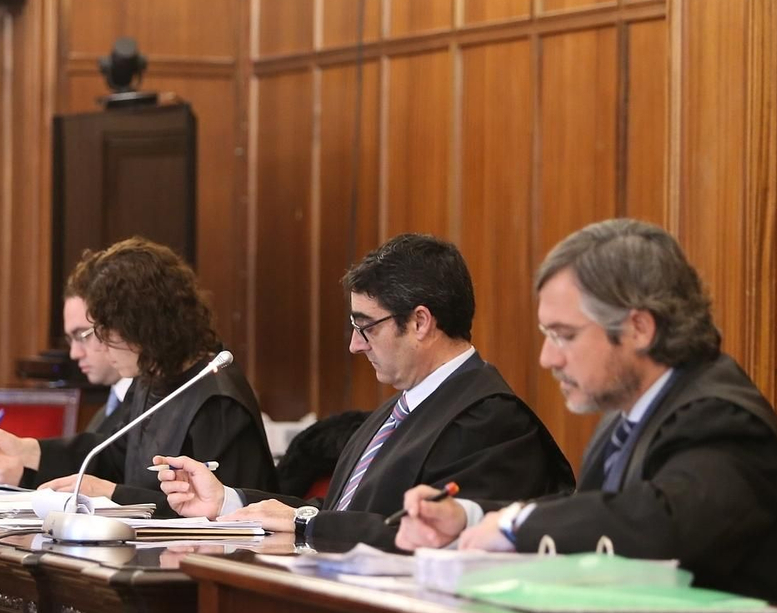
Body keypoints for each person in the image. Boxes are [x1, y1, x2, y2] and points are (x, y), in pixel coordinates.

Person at [396, 219, 777, 610]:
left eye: (564, 335)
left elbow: (660, 527)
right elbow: (594, 513)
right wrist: (471, 518)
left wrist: (514, 525)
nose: (548, 358)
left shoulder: (720, 418)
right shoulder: (626, 416)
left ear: (638, 328)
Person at [157, 234, 573, 549]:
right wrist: (228, 502)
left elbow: (427, 540)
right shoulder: (398, 410)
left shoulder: (492, 421)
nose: (356, 345)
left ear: (420, 322)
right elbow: (346, 516)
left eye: (366, 326)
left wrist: (308, 525)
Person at [0, 237, 276, 512]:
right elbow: (114, 456)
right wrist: (26, 449)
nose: (99, 344)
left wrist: (110, 494)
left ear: (139, 326)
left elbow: (222, 514)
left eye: (103, 331)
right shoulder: (151, 379)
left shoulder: (216, 400)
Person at [62, 294, 132, 435]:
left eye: (82, 335)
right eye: (70, 340)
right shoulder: (102, 415)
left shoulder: (156, 407)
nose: (74, 353)